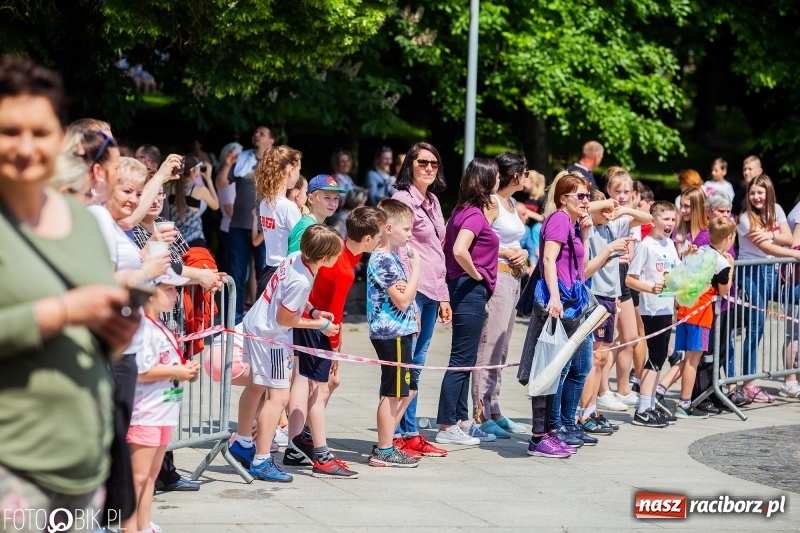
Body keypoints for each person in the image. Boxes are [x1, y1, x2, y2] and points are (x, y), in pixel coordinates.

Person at [0, 54, 139, 528]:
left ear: (59, 138)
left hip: (85, 471)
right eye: (9, 131)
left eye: (39, 132)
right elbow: (59, 312)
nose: (24, 146)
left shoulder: (80, 220)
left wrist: (114, 334)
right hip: (13, 473)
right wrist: (60, 311)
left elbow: (88, 327)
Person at [230, 225, 343, 482]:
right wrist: (320, 325)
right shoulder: (303, 280)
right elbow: (286, 317)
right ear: (324, 259)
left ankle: (244, 442)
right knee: (279, 397)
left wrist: (313, 312)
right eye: (336, 253)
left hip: (256, 324)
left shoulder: (296, 258)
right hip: (270, 336)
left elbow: (288, 300)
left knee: (256, 386)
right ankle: (261, 460)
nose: (339, 257)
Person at [284, 207, 384, 478]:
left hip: (309, 317)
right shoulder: (344, 270)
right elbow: (336, 317)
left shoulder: (338, 247)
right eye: (378, 237)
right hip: (318, 326)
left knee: (309, 382)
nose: (380, 241)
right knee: (319, 389)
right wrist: (336, 352)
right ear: (366, 240)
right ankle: (320, 452)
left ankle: (297, 444)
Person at [516, 172, 593, 458]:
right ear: (564, 199)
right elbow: (548, 259)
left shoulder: (570, 223)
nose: (586, 201)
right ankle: (539, 437)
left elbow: (576, 266)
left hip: (569, 303)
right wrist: (556, 298)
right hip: (555, 305)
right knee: (549, 367)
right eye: (581, 196)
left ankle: (547, 432)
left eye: (588, 196)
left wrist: (584, 233)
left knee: (558, 367)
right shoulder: (559, 218)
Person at [390, 142, 452, 456]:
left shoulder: (433, 201)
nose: (428, 168)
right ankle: (395, 434)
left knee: (417, 363)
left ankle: (410, 430)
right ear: (410, 165)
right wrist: (404, 293)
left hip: (431, 288)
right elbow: (398, 249)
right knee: (402, 363)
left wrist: (443, 296)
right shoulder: (401, 199)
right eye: (422, 162)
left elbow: (436, 250)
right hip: (412, 290)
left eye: (433, 163)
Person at [126, 273, 199, 533]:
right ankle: (130, 526)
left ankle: (143, 524)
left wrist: (183, 368)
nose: (175, 295)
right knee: (139, 475)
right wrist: (176, 372)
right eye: (169, 289)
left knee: (151, 475)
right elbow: (141, 371)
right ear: (150, 293)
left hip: (163, 411)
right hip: (146, 411)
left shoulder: (160, 326)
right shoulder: (142, 327)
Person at [435, 158, 500, 446]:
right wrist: (477, 275)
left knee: (465, 359)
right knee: (461, 360)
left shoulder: (461, 210)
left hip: (461, 287)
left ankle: (461, 420)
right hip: (469, 289)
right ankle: (448, 425)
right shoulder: (474, 214)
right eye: (495, 176)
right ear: (486, 181)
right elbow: (460, 250)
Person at [578, 189, 648, 434]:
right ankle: (584, 412)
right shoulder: (588, 227)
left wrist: (622, 209)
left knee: (602, 358)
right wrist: (608, 203)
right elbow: (589, 209)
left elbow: (647, 218)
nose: (608, 214)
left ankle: (593, 409)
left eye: (610, 212)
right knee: (593, 358)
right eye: (603, 210)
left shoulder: (611, 225)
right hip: (595, 295)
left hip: (610, 296)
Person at [471, 152, 530, 439]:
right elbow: (481, 239)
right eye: (525, 171)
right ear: (515, 174)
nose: (528, 177)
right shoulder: (492, 202)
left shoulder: (512, 202)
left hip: (514, 277)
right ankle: (480, 411)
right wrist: (508, 252)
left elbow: (515, 239)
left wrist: (524, 253)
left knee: (503, 347)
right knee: (489, 345)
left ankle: (494, 406)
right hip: (499, 275)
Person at [656, 217, 736, 420]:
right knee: (693, 361)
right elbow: (725, 290)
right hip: (700, 315)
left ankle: (659, 390)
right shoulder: (721, 262)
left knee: (687, 359)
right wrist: (731, 266)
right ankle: (684, 405)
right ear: (729, 238)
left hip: (685, 309)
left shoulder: (700, 251)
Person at [367, 199, 422, 467]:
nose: (410, 234)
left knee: (408, 389)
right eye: (407, 229)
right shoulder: (381, 259)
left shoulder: (390, 258)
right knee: (393, 392)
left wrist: (414, 314)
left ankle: (386, 438)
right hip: (390, 333)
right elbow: (402, 299)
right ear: (389, 228)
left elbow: (404, 297)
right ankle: (384, 449)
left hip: (401, 331)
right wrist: (417, 270)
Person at [736, 174, 797, 403]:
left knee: (792, 299)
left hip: (770, 272)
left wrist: (772, 234)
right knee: (756, 326)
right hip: (751, 272)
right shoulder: (744, 218)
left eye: (760, 192)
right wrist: (796, 254)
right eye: (752, 192)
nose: (756, 196)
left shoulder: (777, 210)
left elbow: (787, 237)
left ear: (768, 193)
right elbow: (768, 247)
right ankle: (749, 382)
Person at [625, 201, 680, 427]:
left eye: (673, 219)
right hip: (651, 308)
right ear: (654, 220)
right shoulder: (646, 245)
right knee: (656, 356)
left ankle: (649, 405)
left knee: (659, 358)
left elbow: (675, 273)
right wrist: (651, 288)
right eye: (665, 219)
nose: (670, 223)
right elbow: (630, 279)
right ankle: (642, 409)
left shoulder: (670, 244)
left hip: (666, 308)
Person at [215, 126, 275, 322]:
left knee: (264, 277)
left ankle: (261, 321)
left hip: (265, 228)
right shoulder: (242, 159)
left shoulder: (275, 163)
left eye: (262, 133)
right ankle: (235, 321)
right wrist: (226, 164)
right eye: (255, 132)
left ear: (271, 141)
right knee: (236, 276)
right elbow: (220, 184)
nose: (256, 135)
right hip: (239, 226)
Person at [254, 145, 303, 296]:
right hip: (284, 275)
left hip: (267, 272)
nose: (299, 175)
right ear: (291, 171)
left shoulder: (265, 203)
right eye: (299, 170)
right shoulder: (288, 207)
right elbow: (304, 244)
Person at [169, 154, 219, 247]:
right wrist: (209, 180)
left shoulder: (171, 188)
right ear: (195, 170)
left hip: (176, 241)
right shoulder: (198, 190)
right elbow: (216, 205)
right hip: (194, 240)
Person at [287, 174, 345, 254]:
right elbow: (292, 260)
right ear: (311, 199)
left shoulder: (314, 225)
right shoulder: (307, 227)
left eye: (336, 198)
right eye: (327, 198)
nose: (333, 203)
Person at [215, 142, 243, 274]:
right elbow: (229, 210)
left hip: (231, 228)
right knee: (232, 270)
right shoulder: (227, 181)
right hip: (230, 229)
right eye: (237, 156)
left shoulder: (234, 178)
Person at [673, 187, 708, 257]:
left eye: (686, 206)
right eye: (681, 205)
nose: (682, 210)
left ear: (698, 207)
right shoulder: (680, 232)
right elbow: (679, 261)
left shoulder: (711, 232)